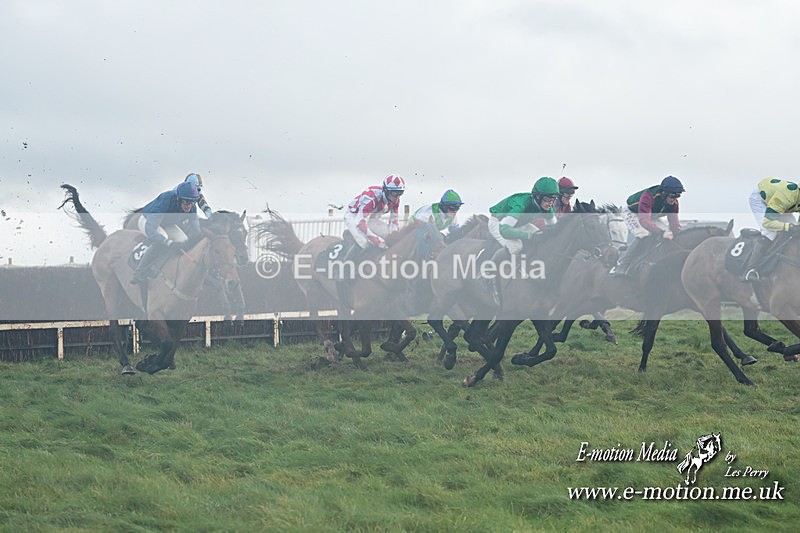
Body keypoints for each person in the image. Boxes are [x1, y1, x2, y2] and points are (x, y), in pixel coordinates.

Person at [480, 177, 559, 303]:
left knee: (540, 236)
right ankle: (486, 274)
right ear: (537, 196)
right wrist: (529, 236)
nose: (551, 203)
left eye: (553, 199)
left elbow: (554, 228)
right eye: (548, 199)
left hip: (518, 224)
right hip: (498, 223)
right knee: (516, 246)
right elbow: (504, 230)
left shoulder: (547, 208)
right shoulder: (520, 205)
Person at [609, 175, 684, 277]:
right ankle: (621, 264)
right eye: (672, 196)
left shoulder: (674, 204)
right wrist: (661, 233)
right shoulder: (648, 196)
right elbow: (644, 221)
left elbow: (674, 224)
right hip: (633, 213)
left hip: (650, 215)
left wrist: (679, 234)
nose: (674, 199)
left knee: (668, 232)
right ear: (664, 193)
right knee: (643, 234)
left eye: (677, 196)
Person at [130, 181, 203, 285]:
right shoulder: (166, 200)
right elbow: (151, 229)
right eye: (186, 202)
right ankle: (139, 272)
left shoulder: (192, 207)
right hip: (147, 221)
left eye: (192, 202)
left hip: (167, 224)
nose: (189, 206)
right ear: (178, 198)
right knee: (162, 238)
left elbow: (196, 231)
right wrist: (168, 242)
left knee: (184, 241)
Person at [744, 177, 800, 280]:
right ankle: (751, 269)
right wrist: (787, 226)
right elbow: (768, 223)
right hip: (760, 200)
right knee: (770, 232)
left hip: (780, 204)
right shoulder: (787, 197)